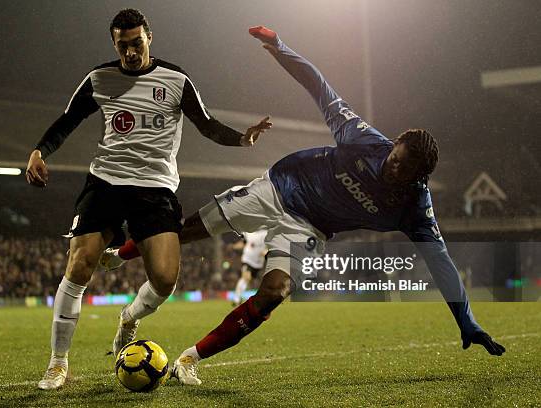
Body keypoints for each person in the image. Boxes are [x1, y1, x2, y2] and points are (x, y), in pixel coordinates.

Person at [101, 25, 505, 385]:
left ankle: (189, 360)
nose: (391, 167)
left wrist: (466, 321)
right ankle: (122, 254)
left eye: (402, 169)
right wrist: (280, 47)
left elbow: (442, 263)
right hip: (281, 187)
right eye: (393, 157)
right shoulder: (364, 139)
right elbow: (320, 87)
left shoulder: (415, 207)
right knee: (187, 230)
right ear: (393, 144)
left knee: (274, 293)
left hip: (309, 228)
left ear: (419, 176)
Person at [25, 9, 272, 390]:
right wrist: (40, 151)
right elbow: (67, 120)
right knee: (80, 264)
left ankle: (129, 317)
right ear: (114, 44)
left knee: (164, 279)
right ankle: (58, 363)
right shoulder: (99, 79)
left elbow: (205, 124)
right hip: (105, 182)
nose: (130, 52)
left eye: (136, 43)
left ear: (149, 38)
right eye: (122, 45)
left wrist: (243, 138)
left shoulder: (176, 79)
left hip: (155, 189)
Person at [232, 230, 268, 306]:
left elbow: (269, 246)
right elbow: (244, 243)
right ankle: (236, 299)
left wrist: (266, 251)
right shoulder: (247, 231)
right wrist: (234, 246)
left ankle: (239, 297)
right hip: (247, 259)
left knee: (248, 280)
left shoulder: (266, 233)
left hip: (258, 263)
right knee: (246, 277)